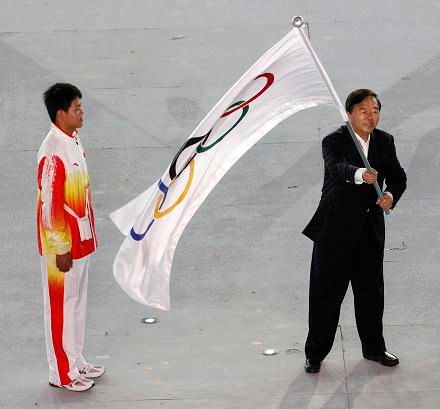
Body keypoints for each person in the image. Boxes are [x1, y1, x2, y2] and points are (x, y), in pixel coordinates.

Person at [302, 89, 407, 373]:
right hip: (334, 231)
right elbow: (336, 167)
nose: (370, 116)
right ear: (349, 114)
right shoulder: (334, 140)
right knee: (326, 294)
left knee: (371, 292)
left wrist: (390, 195)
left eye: (374, 111)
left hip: (369, 230)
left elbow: (398, 176)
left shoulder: (384, 141)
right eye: (364, 111)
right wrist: (361, 174)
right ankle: (315, 353)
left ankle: (374, 348)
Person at [37, 83, 105, 391]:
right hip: (62, 248)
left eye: (81, 107)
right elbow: (50, 207)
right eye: (76, 108)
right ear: (60, 113)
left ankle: (76, 360)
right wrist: (60, 248)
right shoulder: (53, 153)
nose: (82, 112)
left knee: (77, 302)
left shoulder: (73, 141)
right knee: (60, 307)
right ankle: (61, 373)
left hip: (81, 240)